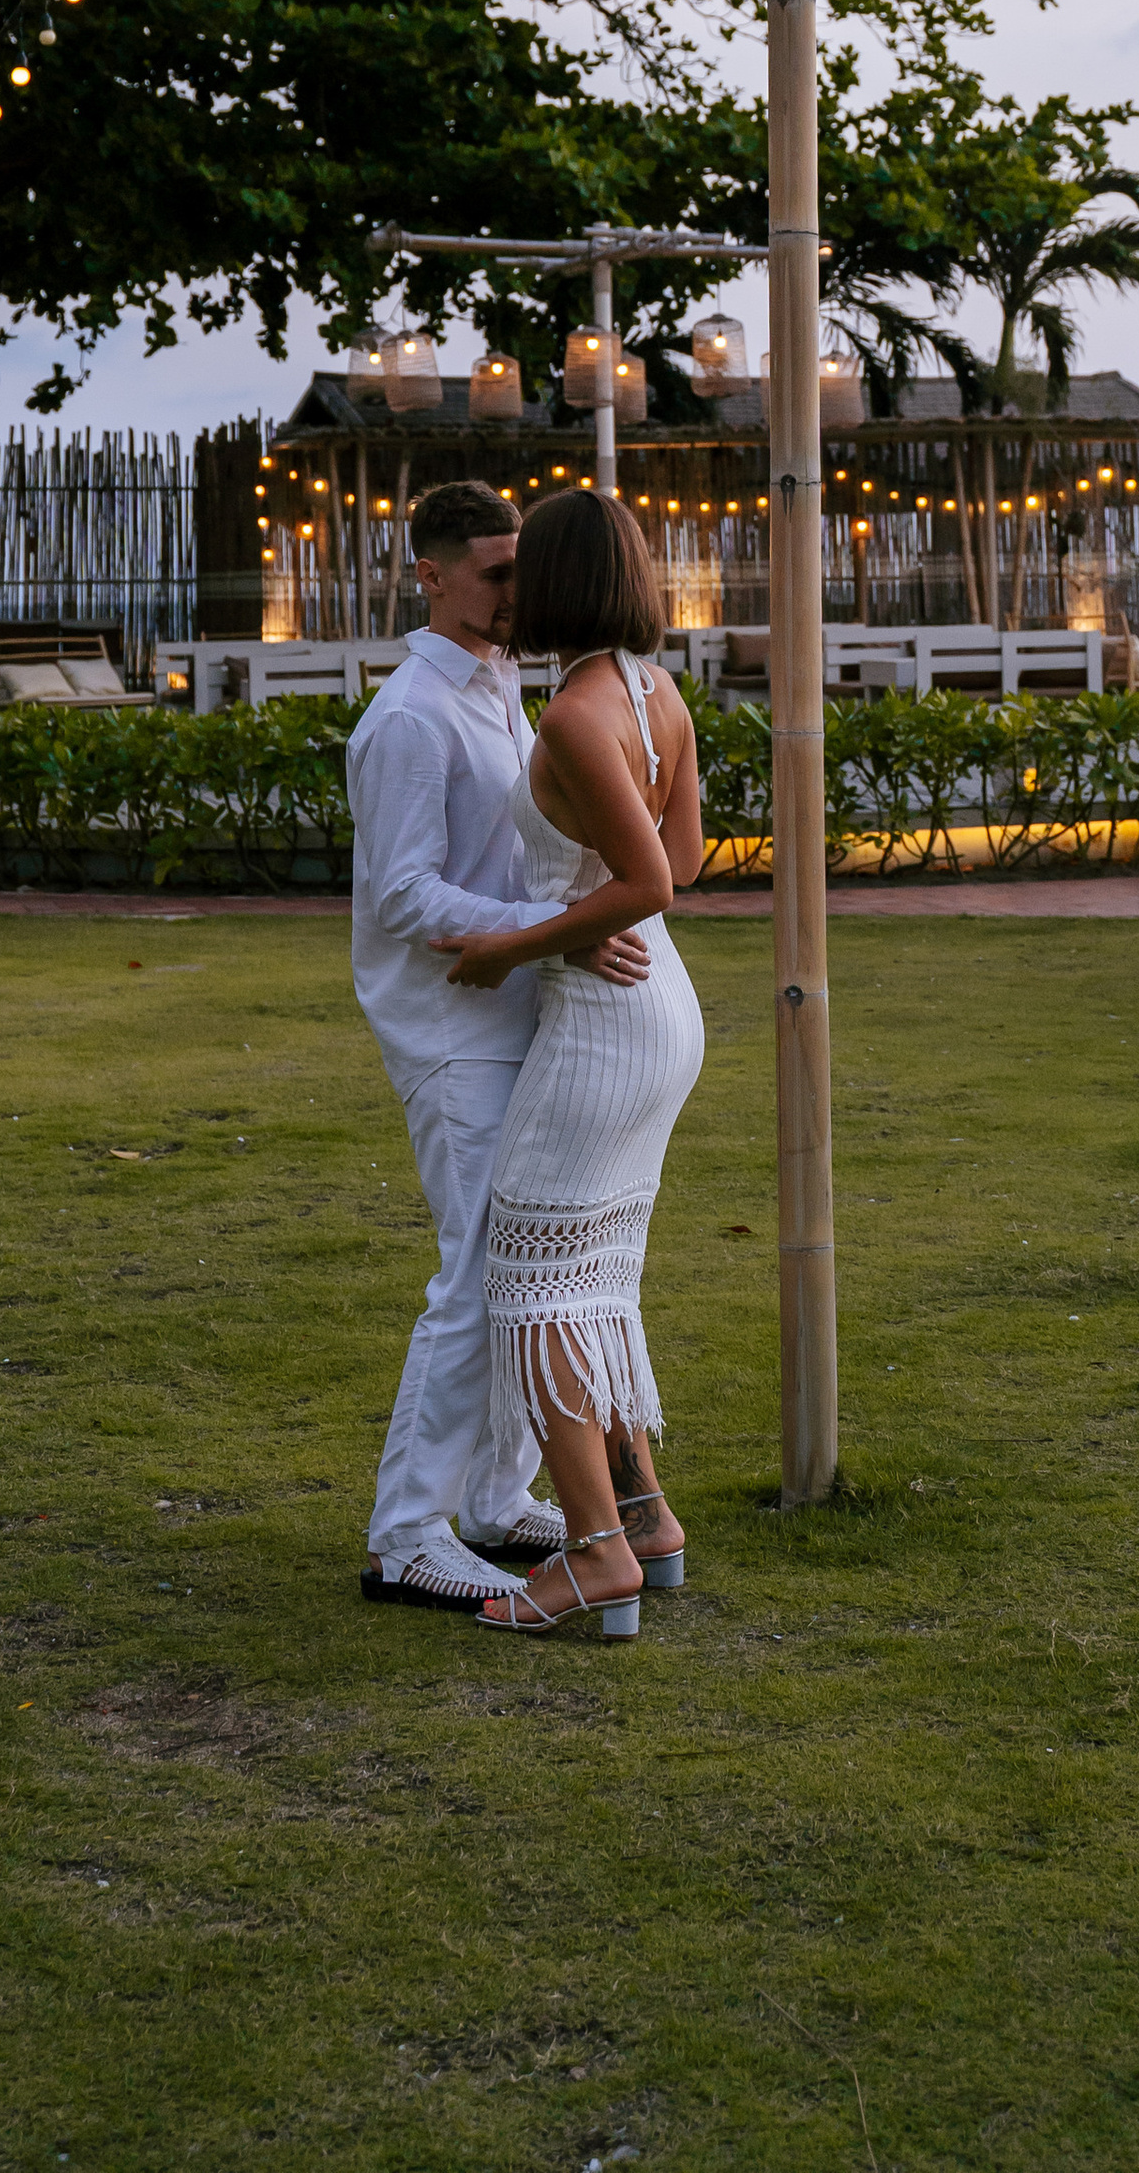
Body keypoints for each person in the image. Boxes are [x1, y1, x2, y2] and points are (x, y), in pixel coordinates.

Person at [349, 477, 653, 1618]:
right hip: (449, 1029)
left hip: (524, 1013)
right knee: (479, 1272)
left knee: (530, 1268)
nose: (520, 590)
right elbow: (400, 894)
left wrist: (555, 931)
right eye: (496, 573)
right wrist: (551, 931)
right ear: (430, 577)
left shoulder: (509, 689)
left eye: (524, 567)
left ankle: (492, 1495)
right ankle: (405, 1535)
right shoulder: (409, 717)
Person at [438, 487, 707, 1642]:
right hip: (662, 1005)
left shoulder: (573, 717)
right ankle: (644, 1520)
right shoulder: (657, 695)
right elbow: (685, 855)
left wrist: (508, 946)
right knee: (591, 1272)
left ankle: (594, 1555)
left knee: (531, 1277)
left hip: (605, 1018)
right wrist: (578, 907)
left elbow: (650, 882)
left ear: (554, 582)